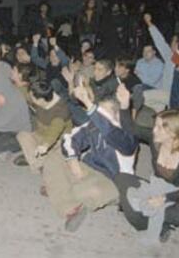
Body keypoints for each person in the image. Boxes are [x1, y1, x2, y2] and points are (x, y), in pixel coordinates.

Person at [114, 84, 179, 243]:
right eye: (154, 126)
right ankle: (157, 222)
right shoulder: (155, 139)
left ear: (174, 133)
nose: (154, 130)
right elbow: (130, 128)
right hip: (155, 187)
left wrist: (165, 198)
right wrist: (124, 105)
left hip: (177, 194)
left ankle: (147, 214)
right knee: (121, 178)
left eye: (159, 128)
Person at [43, 83, 137, 232]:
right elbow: (69, 138)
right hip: (90, 170)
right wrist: (72, 160)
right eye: (99, 112)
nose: (98, 117)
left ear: (117, 115)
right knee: (54, 159)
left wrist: (88, 103)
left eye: (103, 113)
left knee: (88, 191)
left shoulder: (127, 137)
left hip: (114, 180)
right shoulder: (93, 125)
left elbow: (108, 131)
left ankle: (61, 189)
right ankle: (69, 208)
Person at [15, 80, 72, 173]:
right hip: (41, 135)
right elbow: (27, 95)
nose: (31, 98)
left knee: (58, 152)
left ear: (40, 100)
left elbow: (55, 130)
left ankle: (39, 164)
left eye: (33, 97)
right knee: (22, 135)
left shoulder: (61, 111)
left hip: (57, 141)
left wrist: (45, 145)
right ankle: (40, 163)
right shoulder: (45, 96)